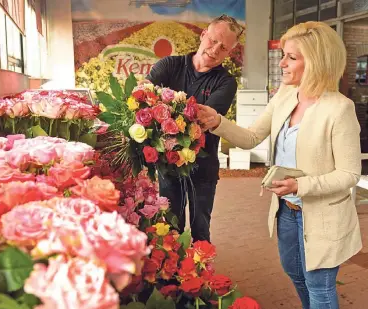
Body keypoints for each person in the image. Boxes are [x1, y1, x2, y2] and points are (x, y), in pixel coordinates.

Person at [197, 21, 362, 309]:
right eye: (283, 55)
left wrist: (302, 185)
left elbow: (349, 174)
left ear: (318, 62)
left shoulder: (339, 108)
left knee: (320, 287)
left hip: (322, 215)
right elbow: (251, 138)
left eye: (291, 57)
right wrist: (217, 122)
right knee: (296, 274)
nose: (282, 63)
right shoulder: (286, 95)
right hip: (286, 210)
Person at [143, 14, 244, 242]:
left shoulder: (225, 82)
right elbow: (143, 97)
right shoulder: (170, 65)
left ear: (228, 53)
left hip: (203, 166)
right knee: (170, 225)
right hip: (168, 163)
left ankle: (200, 275)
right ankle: (170, 274)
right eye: (214, 40)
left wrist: (163, 106)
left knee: (200, 228)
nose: (216, 49)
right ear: (203, 35)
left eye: (224, 47)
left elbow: (199, 120)